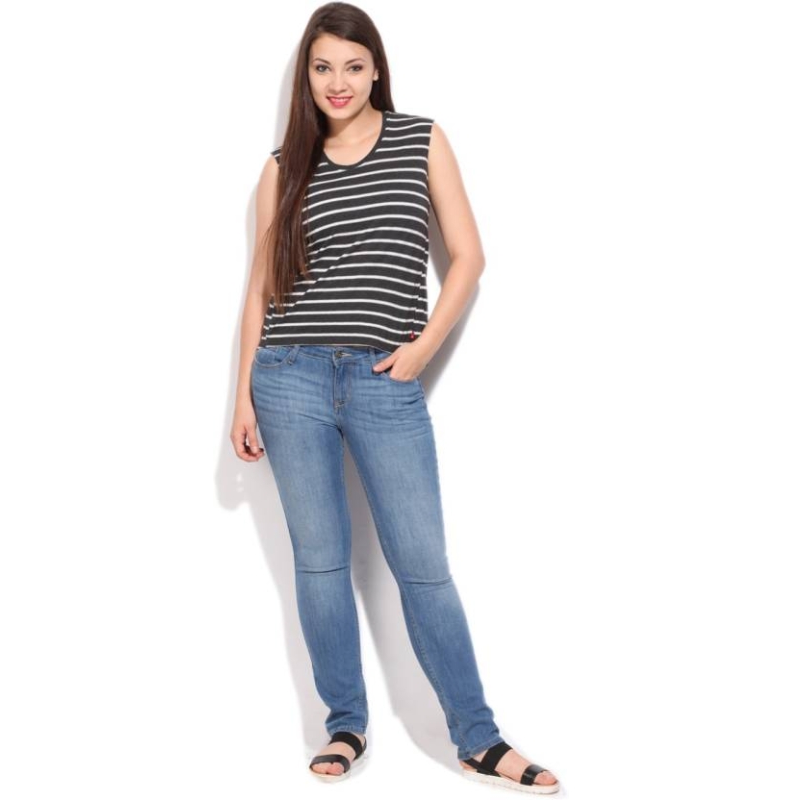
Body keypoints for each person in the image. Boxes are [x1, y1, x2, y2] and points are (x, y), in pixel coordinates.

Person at [230, 2, 560, 793]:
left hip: (383, 379)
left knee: (422, 565)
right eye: (322, 67)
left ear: (376, 68)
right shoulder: (282, 168)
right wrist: (242, 397)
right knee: (319, 564)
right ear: (306, 77)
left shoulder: (421, 139)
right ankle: (344, 724)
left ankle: (477, 736)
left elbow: (468, 257)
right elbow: (260, 290)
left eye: (352, 65)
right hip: (290, 376)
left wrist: (420, 350)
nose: (337, 82)